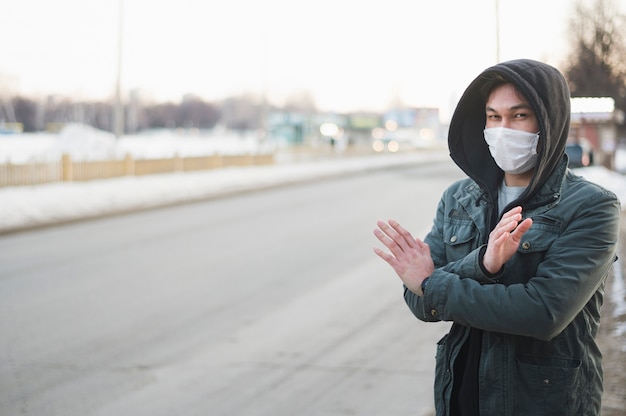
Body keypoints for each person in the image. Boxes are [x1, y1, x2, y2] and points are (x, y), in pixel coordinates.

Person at [373, 59, 620, 415]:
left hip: (543, 402)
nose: (503, 129)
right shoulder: (458, 198)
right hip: (460, 396)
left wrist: (432, 283)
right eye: (493, 117)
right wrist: (483, 265)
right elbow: (420, 302)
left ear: (549, 122)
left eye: (519, 116)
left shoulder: (591, 207)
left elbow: (543, 312)